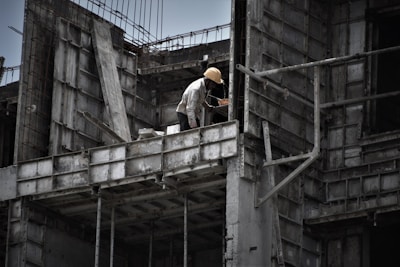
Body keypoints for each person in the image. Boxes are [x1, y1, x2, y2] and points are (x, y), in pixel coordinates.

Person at [176, 67, 224, 131]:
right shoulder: (196, 89)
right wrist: (194, 127)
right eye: (213, 84)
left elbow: (201, 99)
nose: (214, 87)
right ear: (208, 81)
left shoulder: (204, 86)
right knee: (189, 135)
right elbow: (190, 109)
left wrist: (207, 107)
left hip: (193, 113)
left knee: (197, 132)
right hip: (185, 114)